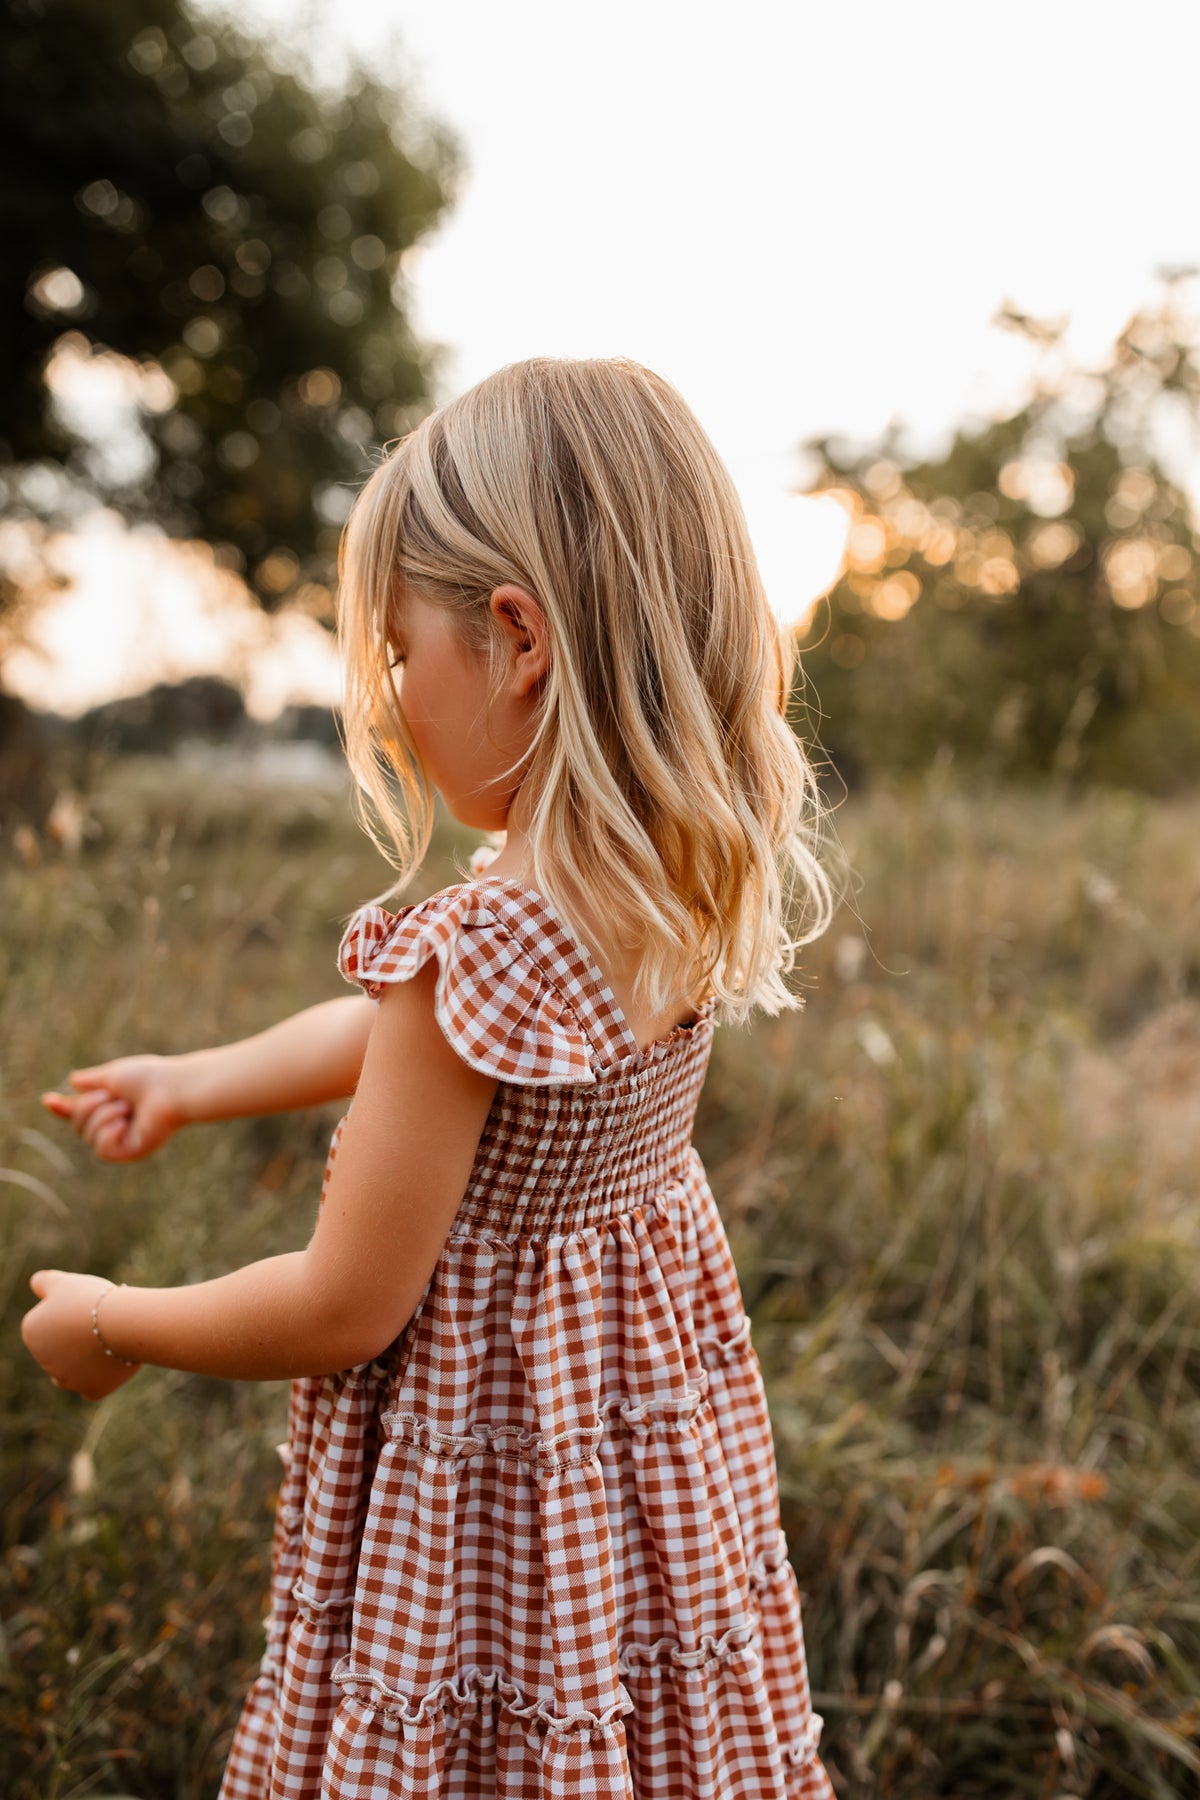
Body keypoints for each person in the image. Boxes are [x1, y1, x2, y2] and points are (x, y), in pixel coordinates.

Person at [24, 357, 836, 1799]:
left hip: (479, 1492)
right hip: (621, 1471)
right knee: (621, 1721)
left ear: (518, 638)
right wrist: (196, 1080)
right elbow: (422, 1044)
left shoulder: (488, 935)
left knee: (470, 1744)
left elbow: (343, 1306)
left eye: (400, 652)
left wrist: (111, 1319)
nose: (393, 699)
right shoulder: (659, 884)